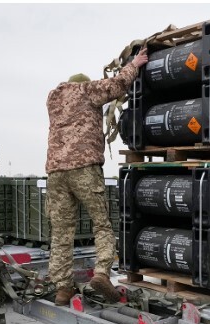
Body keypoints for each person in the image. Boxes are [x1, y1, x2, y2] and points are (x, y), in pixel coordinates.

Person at [45, 47, 149, 306]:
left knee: (61, 232)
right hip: (84, 168)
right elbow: (116, 85)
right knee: (101, 224)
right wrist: (134, 64)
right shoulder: (86, 91)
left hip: (56, 172)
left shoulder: (53, 99)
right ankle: (102, 273)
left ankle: (62, 288)